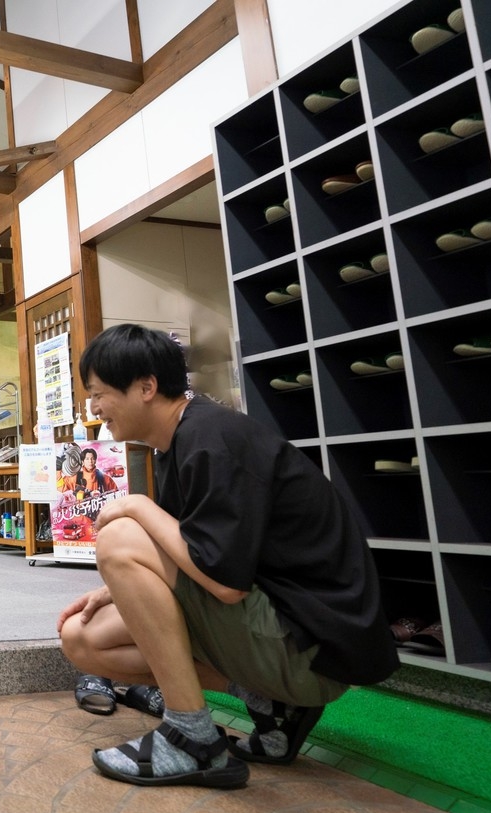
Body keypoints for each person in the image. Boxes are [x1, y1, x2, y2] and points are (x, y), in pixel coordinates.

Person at [57, 324, 398, 789]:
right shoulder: (177, 444)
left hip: (312, 647)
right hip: (278, 627)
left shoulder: (211, 438)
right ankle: (273, 706)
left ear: (146, 387)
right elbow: (191, 552)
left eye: (98, 394)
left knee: (119, 537)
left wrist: (136, 507)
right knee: (83, 639)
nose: (94, 408)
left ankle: (192, 738)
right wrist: (113, 588)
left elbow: (224, 583)